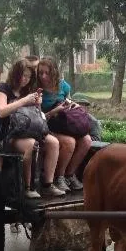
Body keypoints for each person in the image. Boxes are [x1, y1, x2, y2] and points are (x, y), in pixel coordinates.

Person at [0, 57, 63, 198]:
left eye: (29, 76)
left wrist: (37, 103)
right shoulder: (3, 88)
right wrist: (24, 101)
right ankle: (27, 187)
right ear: (15, 73)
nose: (25, 79)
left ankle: (47, 184)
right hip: (9, 134)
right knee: (31, 144)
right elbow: (1, 111)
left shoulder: (28, 91)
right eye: (23, 75)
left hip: (30, 130)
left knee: (54, 143)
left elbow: (35, 115)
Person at [37, 56, 92, 192]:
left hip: (64, 124)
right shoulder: (36, 89)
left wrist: (71, 105)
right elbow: (37, 116)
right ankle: (59, 177)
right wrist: (53, 112)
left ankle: (70, 174)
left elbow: (69, 100)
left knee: (87, 140)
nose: (43, 76)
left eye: (47, 73)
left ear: (54, 72)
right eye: (40, 73)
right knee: (69, 142)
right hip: (46, 125)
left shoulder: (64, 86)